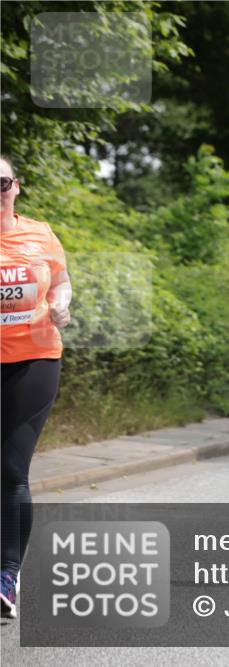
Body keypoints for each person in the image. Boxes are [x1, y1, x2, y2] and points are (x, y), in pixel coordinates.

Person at [1, 156, 73, 619]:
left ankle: (7, 574)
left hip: (34, 361)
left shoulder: (40, 234)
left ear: (16, 187)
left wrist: (61, 305)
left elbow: (61, 283)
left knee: (9, 470)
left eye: (2, 182)